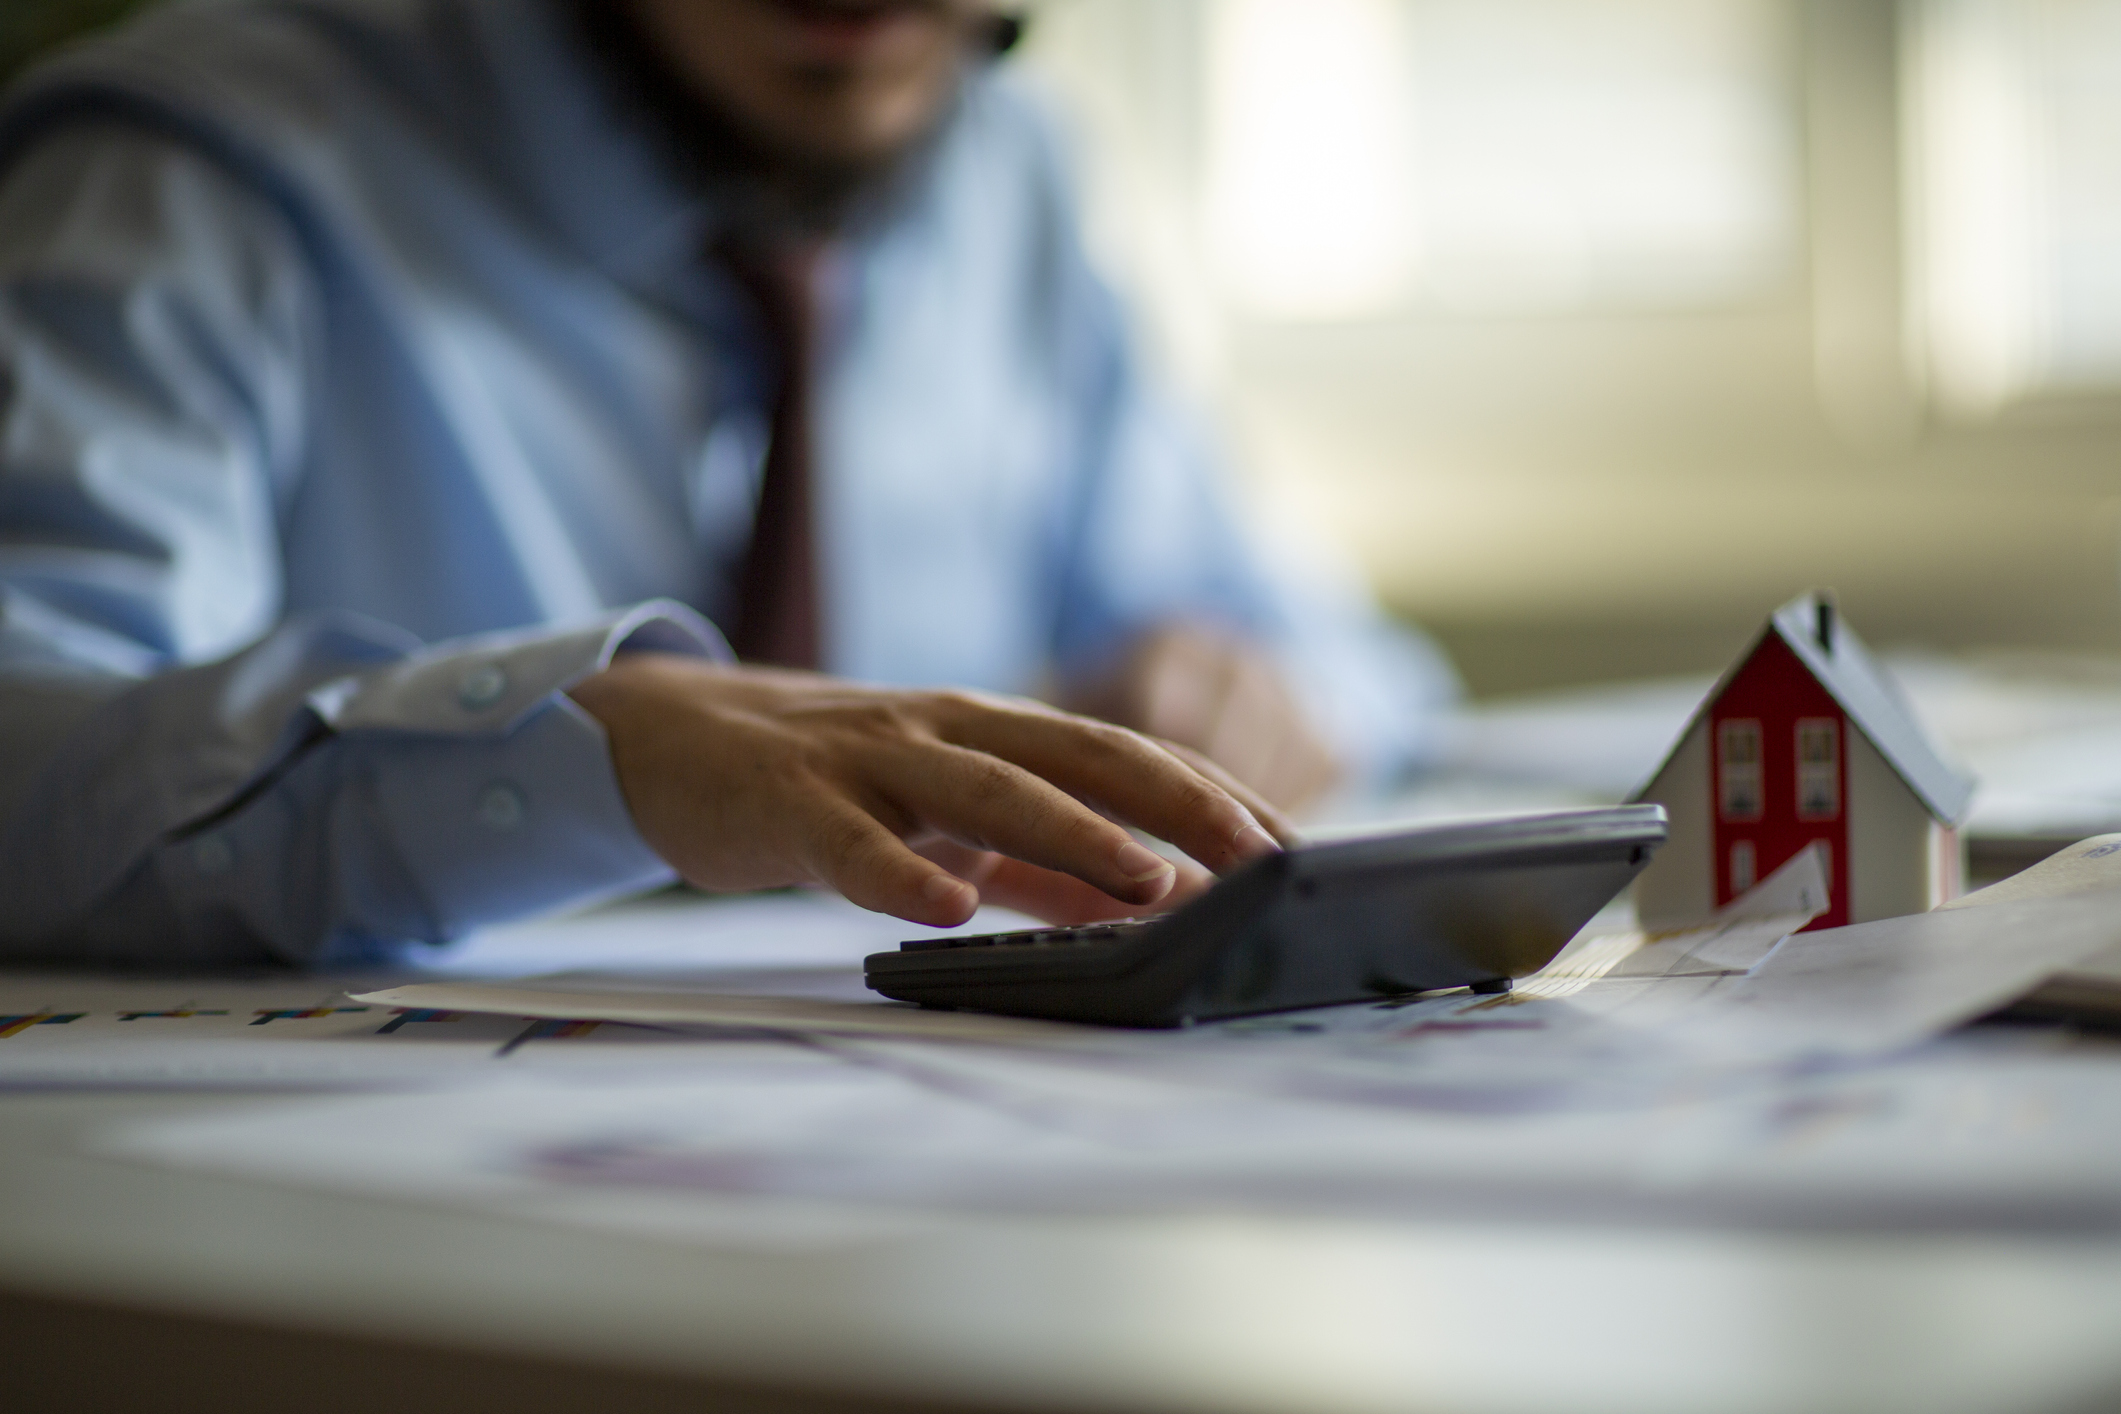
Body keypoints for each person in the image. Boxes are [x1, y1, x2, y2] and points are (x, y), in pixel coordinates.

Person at [0, 0, 1455, 967]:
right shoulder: (189, 167)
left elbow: (1344, 657)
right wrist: (575, 751)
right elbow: (25, 749)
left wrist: (1235, 688)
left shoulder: (1011, 171)